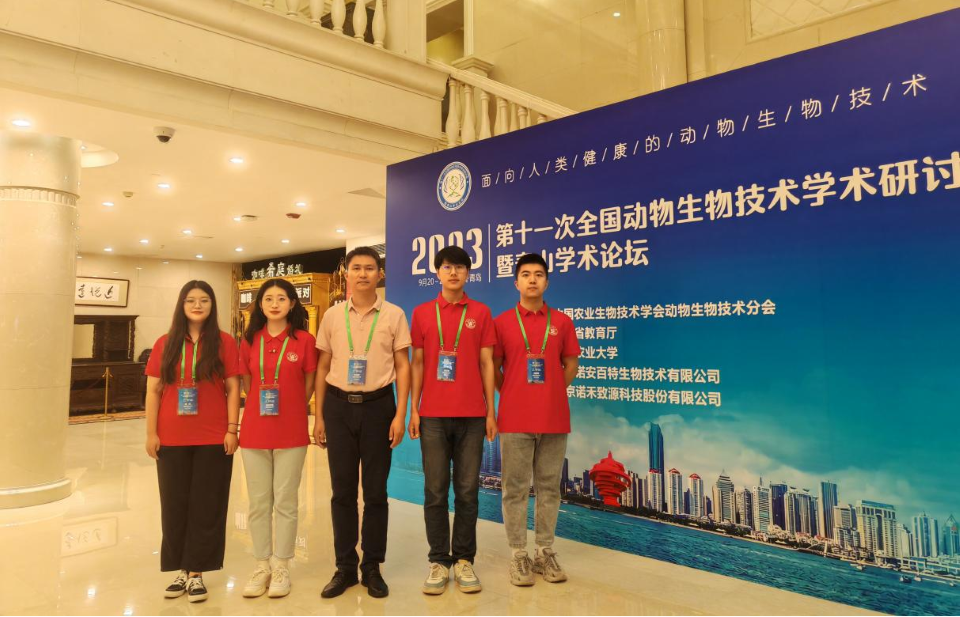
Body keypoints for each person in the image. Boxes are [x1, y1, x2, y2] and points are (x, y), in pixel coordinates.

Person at [313, 247, 412, 599]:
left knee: (375, 493)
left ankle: (372, 566)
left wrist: (400, 414)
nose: (363, 274)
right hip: (338, 408)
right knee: (341, 492)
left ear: (379, 274)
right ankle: (344, 567)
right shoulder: (332, 316)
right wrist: (319, 415)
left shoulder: (394, 314)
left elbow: (403, 366)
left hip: (378, 408)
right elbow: (323, 367)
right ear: (347, 274)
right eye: (356, 268)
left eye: (370, 268)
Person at [144, 280, 242, 603]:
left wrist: (232, 429)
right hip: (171, 437)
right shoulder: (165, 343)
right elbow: (153, 391)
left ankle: (197, 572)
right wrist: (151, 433)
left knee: (208, 504)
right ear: (182, 305)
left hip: (213, 437)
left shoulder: (225, 342)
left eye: (204, 300)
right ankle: (181, 569)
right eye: (190, 300)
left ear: (212, 305)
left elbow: (233, 388)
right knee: (174, 504)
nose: (197, 305)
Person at [408, 246, 497, 595]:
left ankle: (463, 559)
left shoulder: (481, 312)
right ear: (437, 273)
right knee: (434, 491)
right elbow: (417, 363)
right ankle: (438, 561)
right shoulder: (422, 313)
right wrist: (414, 409)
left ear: (468, 273)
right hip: (432, 415)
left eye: (460, 267)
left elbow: (487, 363)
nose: (454, 273)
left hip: (472, 416)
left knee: (467, 491)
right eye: (447, 267)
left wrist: (490, 410)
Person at [493, 254, 580, 586]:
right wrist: (512, 392)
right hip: (514, 418)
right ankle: (518, 553)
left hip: (554, 417)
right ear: (516, 282)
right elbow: (494, 368)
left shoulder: (562, 322)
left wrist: (552, 391)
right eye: (526, 274)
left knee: (549, 488)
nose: (532, 279)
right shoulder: (503, 322)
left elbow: (571, 365)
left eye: (539, 274)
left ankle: (544, 551)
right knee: (514, 488)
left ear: (547, 282)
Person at [238, 278, 318, 598]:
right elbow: (247, 383)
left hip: (291, 430)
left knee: (286, 500)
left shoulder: (304, 340)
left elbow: (309, 383)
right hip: (255, 430)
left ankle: (282, 565)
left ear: (292, 303)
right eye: (268, 298)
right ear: (260, 304)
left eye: (281, 298)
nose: (274, 304)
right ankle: (262, 565)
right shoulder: (249, 340)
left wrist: (294, 406)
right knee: (258, 502)